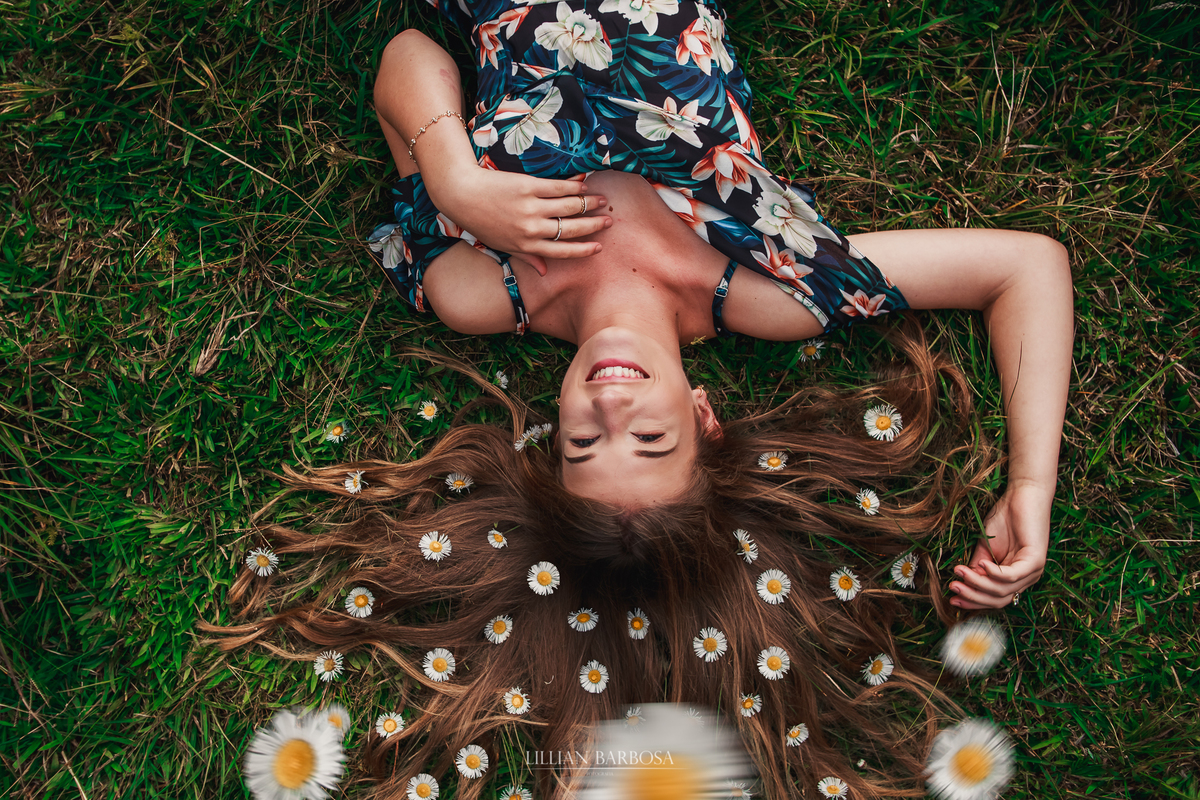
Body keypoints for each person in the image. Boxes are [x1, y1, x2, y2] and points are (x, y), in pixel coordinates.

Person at [210, 2, 1072, 798]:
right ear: (704, 418)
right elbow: (1024, 268)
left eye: (583, 446)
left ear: (552, 438)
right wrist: (1031, 485)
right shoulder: (768, 293)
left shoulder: (481, 289)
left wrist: (457, 181)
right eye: (652, 441)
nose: (610, 411)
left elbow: (406, 57)